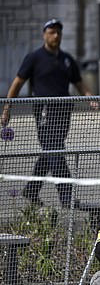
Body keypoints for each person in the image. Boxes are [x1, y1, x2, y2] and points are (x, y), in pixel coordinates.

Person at [2, 18, 94, 208]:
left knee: (50, 151)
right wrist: (7, 108)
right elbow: (18, 82)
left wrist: (90, 97)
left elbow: (79, 83)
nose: (56, 35)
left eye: (58, 32)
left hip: (63, 112)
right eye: (52, 32)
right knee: (55, 151)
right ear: (44, 34)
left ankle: (32, 190)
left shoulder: (67, 60)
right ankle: (66, 197)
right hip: (44, 111)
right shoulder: (34, 58)